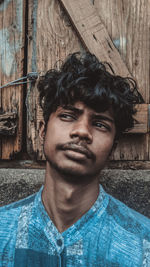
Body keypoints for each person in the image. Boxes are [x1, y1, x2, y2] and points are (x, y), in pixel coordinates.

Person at [0, 52, 150, 267]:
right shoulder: (3, 230)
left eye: (100, 124)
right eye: (68, 116)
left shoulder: (143, 246)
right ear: (42, 130)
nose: (81, 131)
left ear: (112, 147)